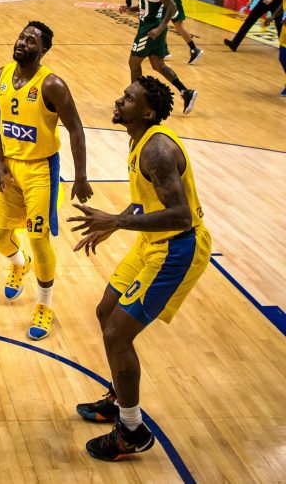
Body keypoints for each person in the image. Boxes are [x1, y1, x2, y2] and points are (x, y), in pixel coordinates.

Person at [68, 76, 211, 461]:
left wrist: (117, 222)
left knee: (118, 334)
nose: (119, 101)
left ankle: (131, 431)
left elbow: (180, 215)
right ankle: (120, 399)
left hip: (178, 248)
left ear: (147, 113)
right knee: (105, 312)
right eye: (123, 95)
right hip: (152, 242)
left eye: (128, 99)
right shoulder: (139, 139)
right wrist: (116, 222)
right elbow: (146, 202)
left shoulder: (157, 151)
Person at [0, 22, 93, 340]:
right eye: (21, 37)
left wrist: (81, 176)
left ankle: (44, 305)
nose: (22, 42)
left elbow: (76, 128)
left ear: (43, 50)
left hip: (40, 170)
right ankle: (20, 264)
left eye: (31, 41)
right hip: (9, 167)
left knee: (38, 238)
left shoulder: (53, 86)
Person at [119, 0, 198, 114]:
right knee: (158, 65)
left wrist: (159, 28)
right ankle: (186, 92)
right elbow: (144, 6)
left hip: (150, 29)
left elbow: (172, 6)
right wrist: (129, 9)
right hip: (150, 28)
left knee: (133, 63)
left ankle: (135, 101)